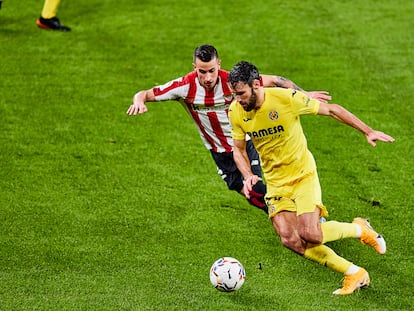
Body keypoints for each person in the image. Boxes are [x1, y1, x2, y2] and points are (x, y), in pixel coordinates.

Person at [228, 61, 395, 295]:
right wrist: (247, 176)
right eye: (234, 95)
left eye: (241, 94)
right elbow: (238, 148)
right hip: (276, 183)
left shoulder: (285, 99)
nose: (238, 100)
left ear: (256, 85)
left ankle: (361, 229)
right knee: (290, 239)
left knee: (310, 234)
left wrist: (367, 131)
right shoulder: (236, 111)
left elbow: (333, 110)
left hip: (302, 175)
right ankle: (354, 272)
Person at [127, 44, 331, 213]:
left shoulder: (232, 82)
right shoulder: (184, 86)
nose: (207, 77)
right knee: (252, 196)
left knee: (259, 187)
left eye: (212, 70)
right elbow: (145, 93)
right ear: (194, 67)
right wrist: (139, 102)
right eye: (202, 71)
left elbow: (276, 80)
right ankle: (294, 216)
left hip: (245, 142)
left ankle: (307, 216)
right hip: (218, 152)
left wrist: (306, 94)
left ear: (219, 65)